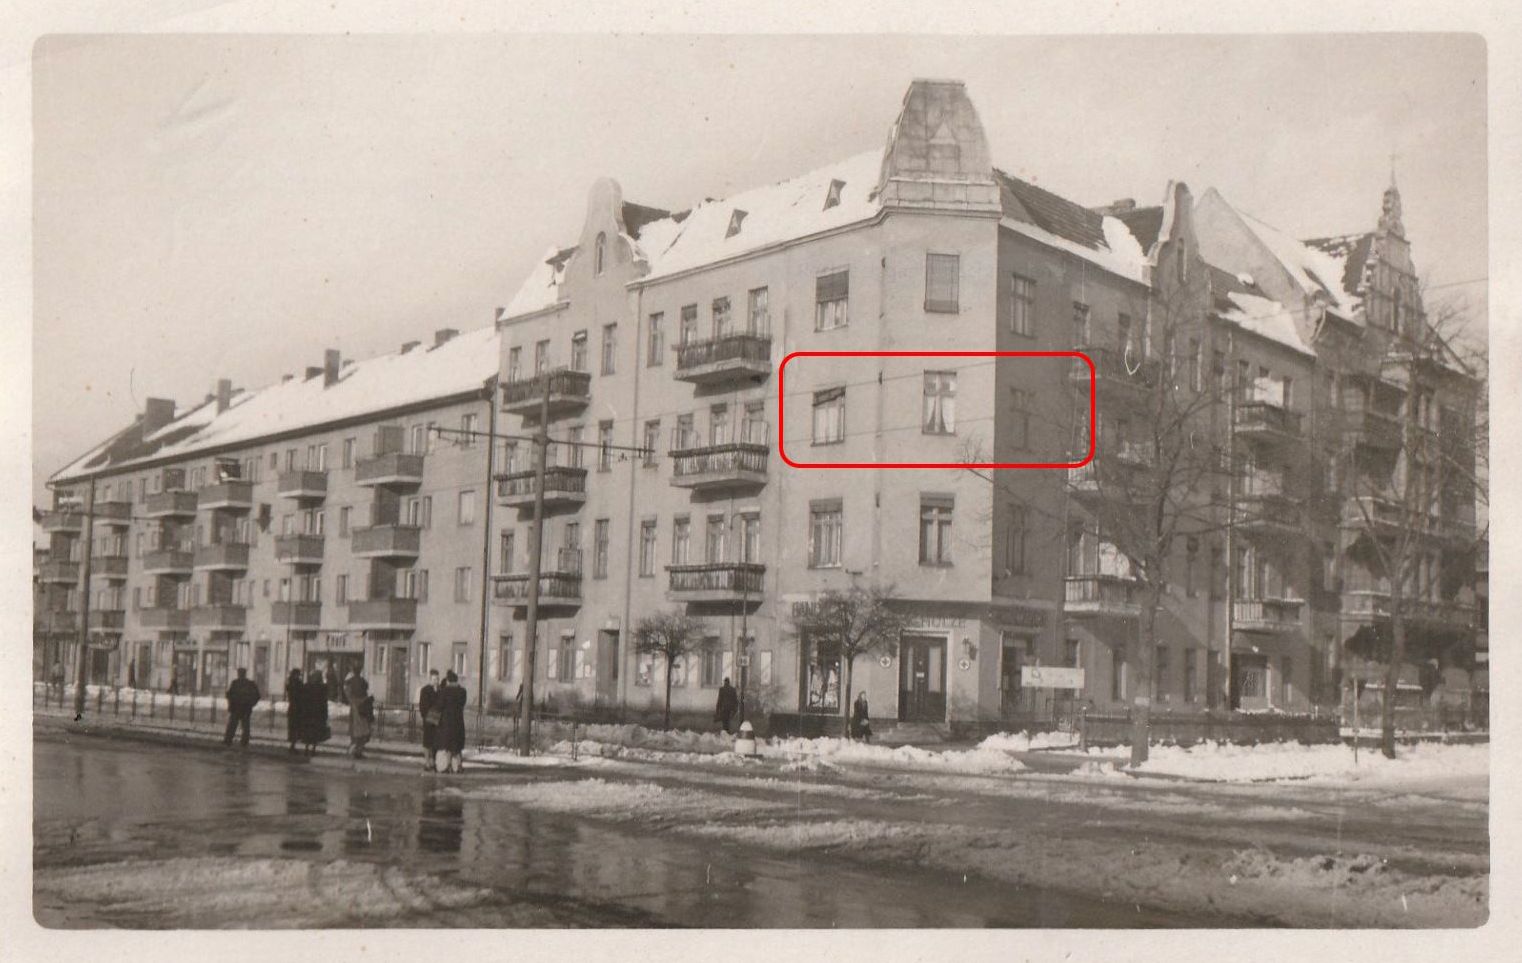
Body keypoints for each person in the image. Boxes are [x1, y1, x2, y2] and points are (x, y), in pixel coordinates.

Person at [435, 670, 468, 773]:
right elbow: (462, 704)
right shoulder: (462, 691)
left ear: (448, 680)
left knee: (448, 745)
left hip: (447, 722)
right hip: (458, 721)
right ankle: (458, 766)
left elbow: (439, 706)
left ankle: (448, 766)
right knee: (457, 746)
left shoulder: (444, 691)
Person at [223, 668, 262, 748]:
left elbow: (229, 694)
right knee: (245, 726)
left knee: (233, 725)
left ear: (239, 674)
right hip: (245, 708)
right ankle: (244, 742)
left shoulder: (235, 683)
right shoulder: (250, 684)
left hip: (236, 708)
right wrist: (251, 704)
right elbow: (257, 695)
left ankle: (228, 740)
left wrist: (230, 700)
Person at [300, 668, 330, 755]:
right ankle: (313, 749)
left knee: (308, 732)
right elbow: (324, 702)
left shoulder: (307, 686)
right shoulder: (322, 688)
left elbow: (303, 700)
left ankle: (306, 749)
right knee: (315, 732)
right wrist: (325, 714)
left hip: (308, 713)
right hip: (318, 713)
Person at [345, 669, 373, 759]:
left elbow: (348, 694)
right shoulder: (363, 682)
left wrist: (352, 701)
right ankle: (357, 751)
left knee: (356, 731)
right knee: (363, 731)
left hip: (356, 709)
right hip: (362, 710)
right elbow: (365, 694)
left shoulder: (350, 682)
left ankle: (354, 750)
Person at [418, 670, 441, 772]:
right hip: (428, 719)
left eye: (437, 679)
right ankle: (427, 762)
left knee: (436, 741)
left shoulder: (440, 690)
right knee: (427, 742)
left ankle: (433, 761)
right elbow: (423, 706)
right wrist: (426, 716)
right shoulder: (425, 690)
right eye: (434, 679)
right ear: (430, 679)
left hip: (437, 720)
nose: (436, 681)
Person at [285, 668, 306, 753]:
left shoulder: (290, 683)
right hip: (297, 708)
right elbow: (301, 694)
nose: (298, 676)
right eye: (298, 674)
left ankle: (292, 745)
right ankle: (292, 746)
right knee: (295, 727)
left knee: (292, 727)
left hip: (292, 708)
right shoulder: (297, 684)